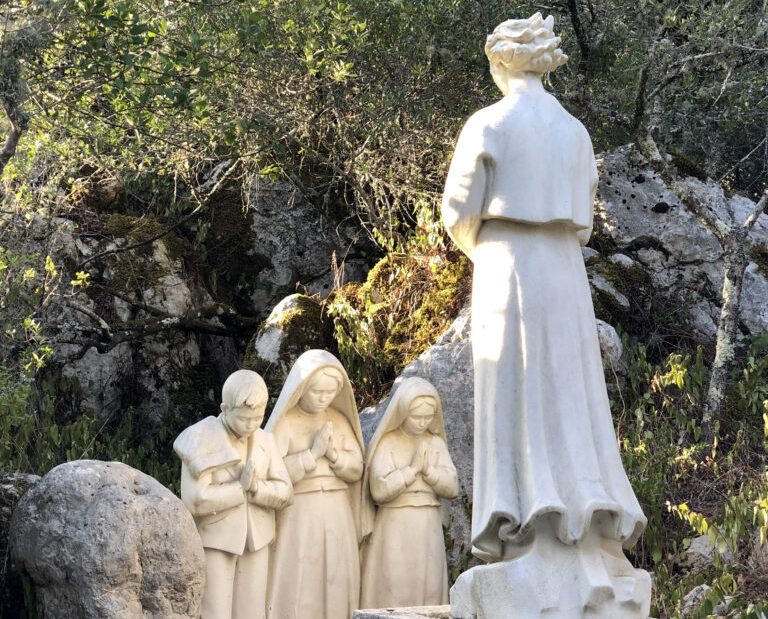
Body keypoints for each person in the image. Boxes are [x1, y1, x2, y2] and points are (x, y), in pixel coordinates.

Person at [441, 12, 650, 615]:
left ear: (501, 62)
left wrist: (478, 243)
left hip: (507, 261)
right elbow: (584, 218)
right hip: (563, 268)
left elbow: (459, 210)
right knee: (568, 392)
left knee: (514, 384)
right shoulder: (576, 131)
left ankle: (529, 517)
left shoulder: (488, 123)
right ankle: (580, 513)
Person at [173, 369, 292, 619]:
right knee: (215, 610)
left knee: (252, 610)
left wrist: (257, 488)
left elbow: (285, 492)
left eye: (257, 418)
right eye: (243, 419)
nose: (251, 426)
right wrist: (240, 489)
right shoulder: (200, 439)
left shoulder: (265, 441)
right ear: (224, 409)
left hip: (257, 539)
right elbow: (195, 500)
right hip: (217, 540)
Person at [265, 349, 364, 619]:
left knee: (336, 571)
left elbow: (357, 468)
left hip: (336, 509)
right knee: (299, 570)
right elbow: (272, 471)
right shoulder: (286, 423)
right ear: (302, 387)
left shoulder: (339, 420)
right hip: (299, 510)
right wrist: (311, 455)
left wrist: (333, 454)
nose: (324, 398)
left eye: (330, 393)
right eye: (317, 391)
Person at [360, 377, 458, 609]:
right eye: (417, 417)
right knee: (394, 582)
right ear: (403, 412)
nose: (422, 423)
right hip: (395, 522)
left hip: (427, 523)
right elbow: (379, 490)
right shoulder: (388, 443)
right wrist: (412, 470)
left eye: (428, 417)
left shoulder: (435, 444)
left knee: (429, 583)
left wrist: (430, 472)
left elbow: (452, 486)